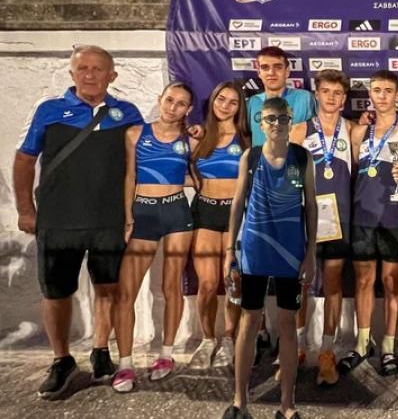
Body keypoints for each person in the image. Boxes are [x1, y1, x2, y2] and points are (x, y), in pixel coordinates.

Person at [14, 45, 143, 398]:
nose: (90, 74)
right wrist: (26, 210)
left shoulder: (127, 113)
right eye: (82, 68)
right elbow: (24, 159)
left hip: (109, 220)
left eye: (98, 69)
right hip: (58, 220)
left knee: (107, 288)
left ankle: (101, 351)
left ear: (112, 75)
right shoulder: (49, 111)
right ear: (72, 74)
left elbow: (151, 151)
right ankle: (62, 361)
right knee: (56, 293)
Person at [222, 96, 317, 419]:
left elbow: (311, 206)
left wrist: (311, 253)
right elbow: (237, 204)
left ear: (291, 122)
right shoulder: (250, 157)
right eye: (270, 119)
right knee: (249, 321)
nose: (277, 124)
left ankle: (287, 405)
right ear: (261, 124)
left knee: (288, 324)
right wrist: (230, 251)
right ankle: (240, 402)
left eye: (283, 118)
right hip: (255, 250)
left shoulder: (302, 157)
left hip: (291, 252)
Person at [111, 82, 196, 393]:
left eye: (181, 103)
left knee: (171, 286)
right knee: (126, 291)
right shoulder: (135, 133)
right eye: (169, 100)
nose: (173, 107)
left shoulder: (191, 139)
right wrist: (128, 218)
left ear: (188, 109)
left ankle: (167, 354)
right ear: (160, 99)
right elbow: (129, 177)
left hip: (177, 213)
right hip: (143, 215)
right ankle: (125, 364)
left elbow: (198, 175)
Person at [339, 70, 398, 376]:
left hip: (393, 217)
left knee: (392, 283)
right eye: (377, 90)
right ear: (370, 94)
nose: (383, 96)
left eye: (388, 91)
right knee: (362, 281)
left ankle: (388, 345)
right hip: (362, 217)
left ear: (397, 95)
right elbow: (353, 172)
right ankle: (363, 343)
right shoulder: (359, 132)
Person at [289, 70, 354, 386]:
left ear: (344, 98)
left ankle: (327, 351)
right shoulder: (299, 130)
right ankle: (298, 348)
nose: (331, 97)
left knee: (333, 283)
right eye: (326, 91)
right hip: (307, 219)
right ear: (317, 95)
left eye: (337, 93)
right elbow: (287, 176)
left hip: (340, 220)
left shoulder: (352, 131)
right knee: (301, 284)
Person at [186, 81, 250, 370]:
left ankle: (229, 337)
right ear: (212, 101)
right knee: (208, 283)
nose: (225, 106)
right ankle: (207, 338)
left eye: (233, 102)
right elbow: (183, 173)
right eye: (221, 99)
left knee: (233, 281)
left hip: (235, 215)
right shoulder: (197, 137)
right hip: (205, 213)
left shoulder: (246, 139)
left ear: (240, 108)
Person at [247, 45, 316, 147]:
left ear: (287, 72)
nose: (271, 73)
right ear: (259, 73)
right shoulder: (252, 103)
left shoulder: (304, 99)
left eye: (278, 67)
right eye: (265, 68)